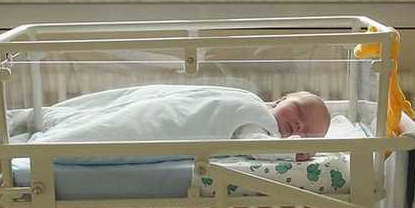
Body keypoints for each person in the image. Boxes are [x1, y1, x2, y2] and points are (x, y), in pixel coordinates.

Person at [25, 84, 331, 161]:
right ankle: (55, 124)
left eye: (307, 132)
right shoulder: (256, 108)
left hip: (172, 123)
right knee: (123, 110)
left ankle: (53, 133)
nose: (300, 127)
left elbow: (255, 146)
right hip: (170, 108)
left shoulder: (260, 128)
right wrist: (292, 150)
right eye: (300, 112)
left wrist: (289, 150)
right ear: (281, 99)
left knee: (119, 126)